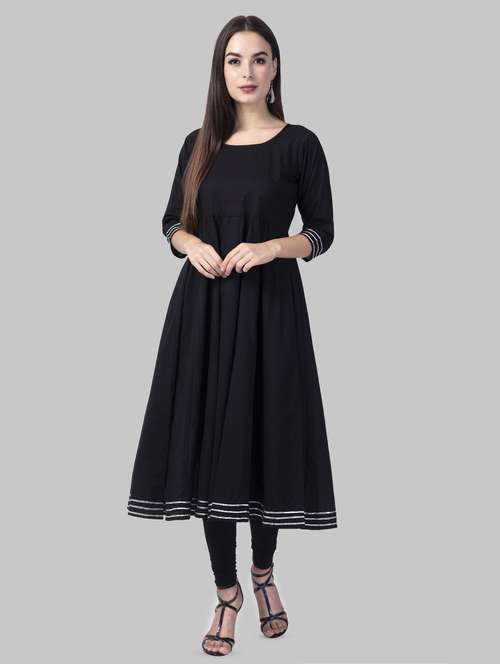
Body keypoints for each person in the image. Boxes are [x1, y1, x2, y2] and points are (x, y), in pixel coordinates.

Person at [126, 14, 338, 656]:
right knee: (213, 444)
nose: (247, 72)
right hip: (205, 312)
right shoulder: (199, 144)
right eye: (234, 60)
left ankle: (264, 572)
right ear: (220, 71)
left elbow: (322, 232)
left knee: (263, 437)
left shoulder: (300, 144)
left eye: (259, 59)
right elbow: (172, 223)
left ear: (276, 69)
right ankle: (227, 593)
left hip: (272, 310)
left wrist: (272, 246)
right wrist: (190, 245)